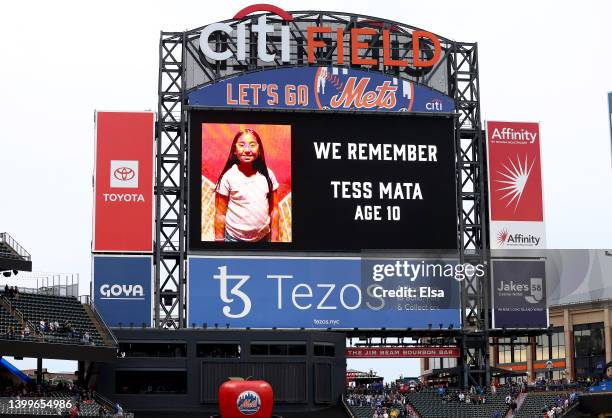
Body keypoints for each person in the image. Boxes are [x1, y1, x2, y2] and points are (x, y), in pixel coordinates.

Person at [214, 128, 280, 242]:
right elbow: (220, 214)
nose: (247, 150)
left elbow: (274, 209)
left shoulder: (268, 175)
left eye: (252, 145)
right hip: (233, 239)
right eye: (242, 145)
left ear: (259, 149)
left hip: (263, 238)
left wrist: (275, 239)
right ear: (234, 150)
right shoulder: (228, 177)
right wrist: (219, 242)